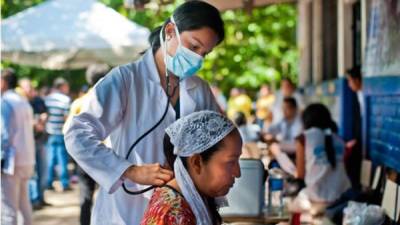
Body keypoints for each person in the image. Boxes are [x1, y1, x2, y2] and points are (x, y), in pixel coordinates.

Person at [64, 1, 225, 224]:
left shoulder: (199, 90)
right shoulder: (125, 80)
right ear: (170, 31)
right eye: (194, 46)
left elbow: (214, 146)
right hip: (127, 211)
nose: (198, 58)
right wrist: (129, 171)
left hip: (180, 211)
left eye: (205, 53)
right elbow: (77, 134)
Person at [141, 111, 242, 225]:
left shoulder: (199, 197)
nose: (238, 173)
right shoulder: (170, 215)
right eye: (231, 162)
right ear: (197, 163)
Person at [271, 103, 350, 211]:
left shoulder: (304, 138)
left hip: (316, 198)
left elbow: (300, 175)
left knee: (282, 205)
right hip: (341, 197)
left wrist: (279, 156)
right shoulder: (339, 140)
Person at [64, 64, 110, 225]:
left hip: (86, 158)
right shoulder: (113, 98)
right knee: (111, 197)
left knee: (86, 196)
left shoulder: (79, 102)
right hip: (110, 158)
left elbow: (68, 132)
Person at [1, 69, 35, 225]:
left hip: (12, 160)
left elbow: (4, 134)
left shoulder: (6, 102)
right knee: (24, 205)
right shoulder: (22, 100)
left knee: (9, 209)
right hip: (27, 158)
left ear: (3, 82)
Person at [18, 78, 49, 209]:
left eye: (30, 87)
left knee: (43, 171)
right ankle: (34, 200)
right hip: (27, 143)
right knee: (32, 173)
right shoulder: (20, 103)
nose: (30, 90)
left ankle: (41, 198)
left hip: (40, 140)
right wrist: (33, 123)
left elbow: (46, 113)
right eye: (26, 87)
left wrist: (43, 119)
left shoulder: (38, 101)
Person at [45, 77, 71, 191]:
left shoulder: (47, 99)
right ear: (61, 87)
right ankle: (64, 184)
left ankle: (49, 182)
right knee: (62, 159)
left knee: (50, 159)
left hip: (50, 132)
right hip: (61, 133)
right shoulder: (65, 99)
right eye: (66, 86)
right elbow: (66, 118)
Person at [345, 66, 363, 189]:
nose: (348, 84)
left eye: (350, 80)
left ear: (357, 80)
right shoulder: (358, 94)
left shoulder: (363, 93)